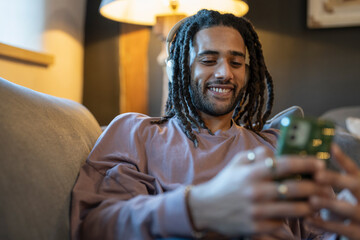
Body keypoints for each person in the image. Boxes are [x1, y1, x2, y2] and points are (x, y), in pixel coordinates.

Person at [70, 9, 360, 240]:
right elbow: (96, 225)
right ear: (179, 68)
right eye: (208, 60)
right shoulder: (137, 133)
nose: (225, 73)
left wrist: (344, 227)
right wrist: (198, 207)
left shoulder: (275, 144)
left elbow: (317, 233)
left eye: (236, 63)